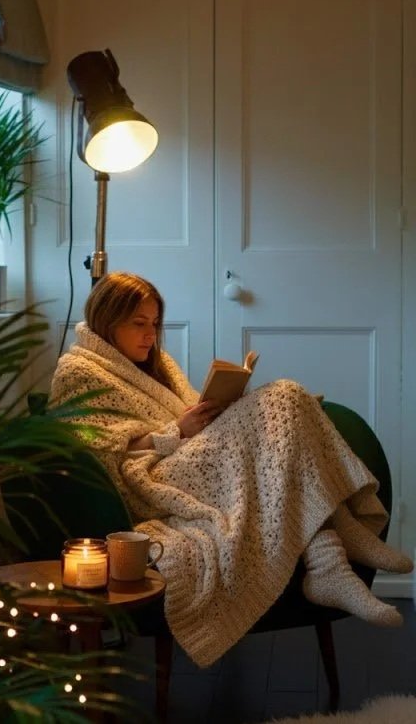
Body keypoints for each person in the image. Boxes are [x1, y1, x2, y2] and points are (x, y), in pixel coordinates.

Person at [50, 272, 413, 668]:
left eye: (155, 323)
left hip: (189, 457)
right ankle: (339, 533)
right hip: (153, 480)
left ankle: (327, 559)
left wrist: (216, 413)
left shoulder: (158, 364)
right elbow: (97, 453)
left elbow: (190, 414)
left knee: (286, 406)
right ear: (107, 319)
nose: (150, 334)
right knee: (285, 398)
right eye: (139, 323)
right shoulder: (78, 371)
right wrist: (176, 431)